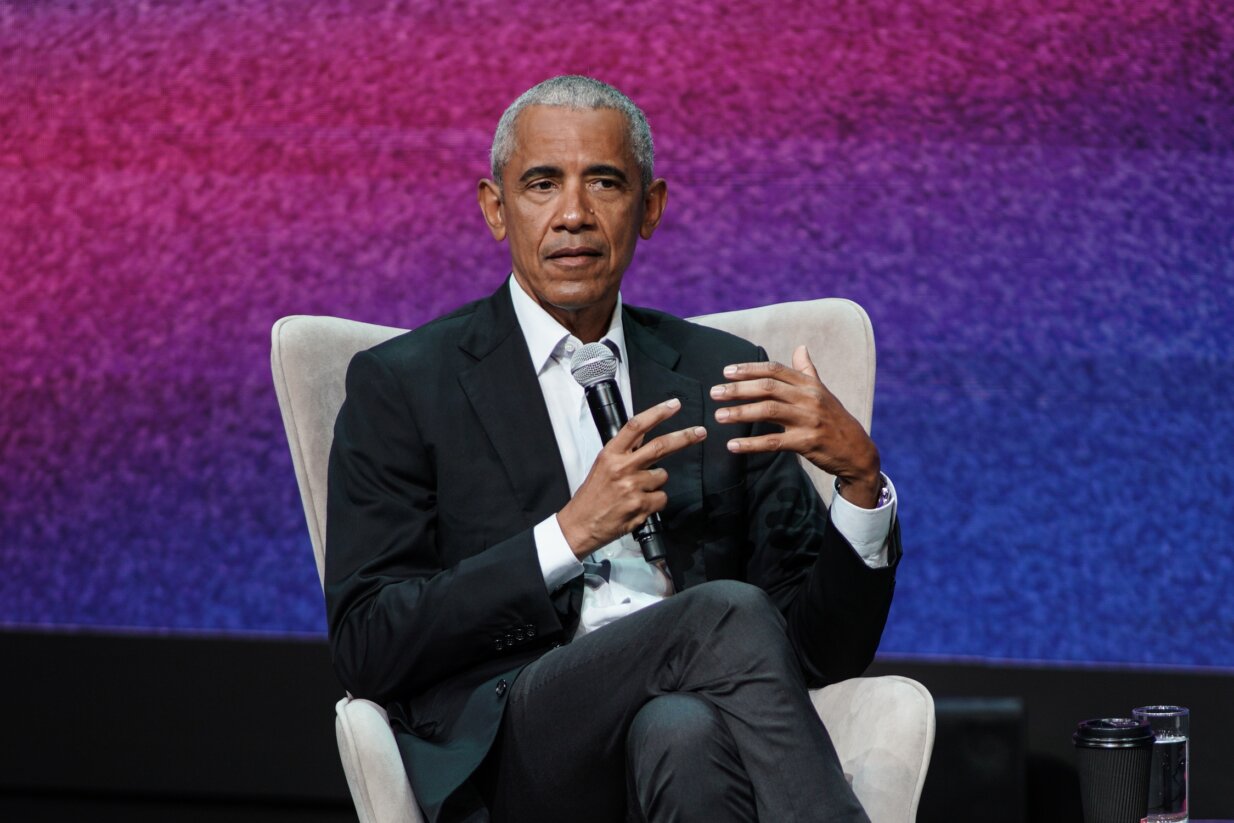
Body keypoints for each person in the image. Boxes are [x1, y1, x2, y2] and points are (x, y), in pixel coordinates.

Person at [325, 76, 901, 823]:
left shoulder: (721, 375)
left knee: (682, 732)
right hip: (515, 745)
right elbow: (368, 641)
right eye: (542, 184)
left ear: (649, 207)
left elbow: (819, 652)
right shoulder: (405, 384)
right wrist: (566, 536)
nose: (573, 214)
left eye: (604, 182)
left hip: (683, 739)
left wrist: (859, 482)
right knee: (723, 613)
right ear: (495, 208)